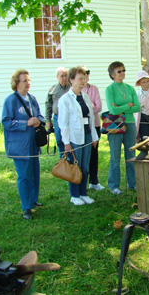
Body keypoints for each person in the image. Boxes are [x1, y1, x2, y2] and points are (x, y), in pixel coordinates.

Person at [2, 69, 45, 220]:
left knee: (34, 173)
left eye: (29, 80)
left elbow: (39, 114)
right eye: (24, 80)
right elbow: (6, 121)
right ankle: (26, 207)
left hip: (33, 143)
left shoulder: (32, 98)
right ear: (16, 83)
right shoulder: (11, 100)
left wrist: (39, 120)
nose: (28, 83)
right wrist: (26, 123)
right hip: (20, 145)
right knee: (23, 175)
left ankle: (33, 199)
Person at [58, 67, 99, 206]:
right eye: (80, 78)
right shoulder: (65, 99)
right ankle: (74, 195)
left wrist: (94, 137)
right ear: (71, 80)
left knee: (85, 167)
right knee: (76, 166)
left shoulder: (85, 97)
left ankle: (83, 193)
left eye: (84, 78)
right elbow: (63, 123)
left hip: (87, 135)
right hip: (74, 138)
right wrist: (66, 142)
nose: (83, 81)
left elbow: (91, 118)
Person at [105, 61, 140, 194]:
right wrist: (128, 105)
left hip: (130, 124)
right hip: (115, 125)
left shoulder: (130, 88)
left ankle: (132, 183)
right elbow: (112, 111)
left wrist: (122, 108)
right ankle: (114, 185)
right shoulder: (110, 89)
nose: (122, 73)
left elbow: (138, 107)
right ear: (112, 74)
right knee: (115, 156)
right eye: (119, 71)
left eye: (123, 70)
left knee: (131, 155)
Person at [81, 66, 105, 191]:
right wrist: (91, 106)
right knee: (82, 154)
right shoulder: (74, 90)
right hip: (81, 128)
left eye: (87, 74)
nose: (85, 77)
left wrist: (87, 109)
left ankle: (94, 181)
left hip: (94, 125)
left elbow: (99, 107)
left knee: (94, 153)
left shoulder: (94, 88)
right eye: (82, 75)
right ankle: (81, 182)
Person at [45, 67, 70, 157]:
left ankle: (70, 160)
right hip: (57, 117)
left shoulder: (72, 88)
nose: (64, 78)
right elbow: (48, 104)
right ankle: (62, 159)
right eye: (62, 76)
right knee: (59, 140)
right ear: (57, 77)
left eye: (66, 76)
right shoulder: (53, 89)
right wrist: (48, 120)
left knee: (68, 139)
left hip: (69, 118)